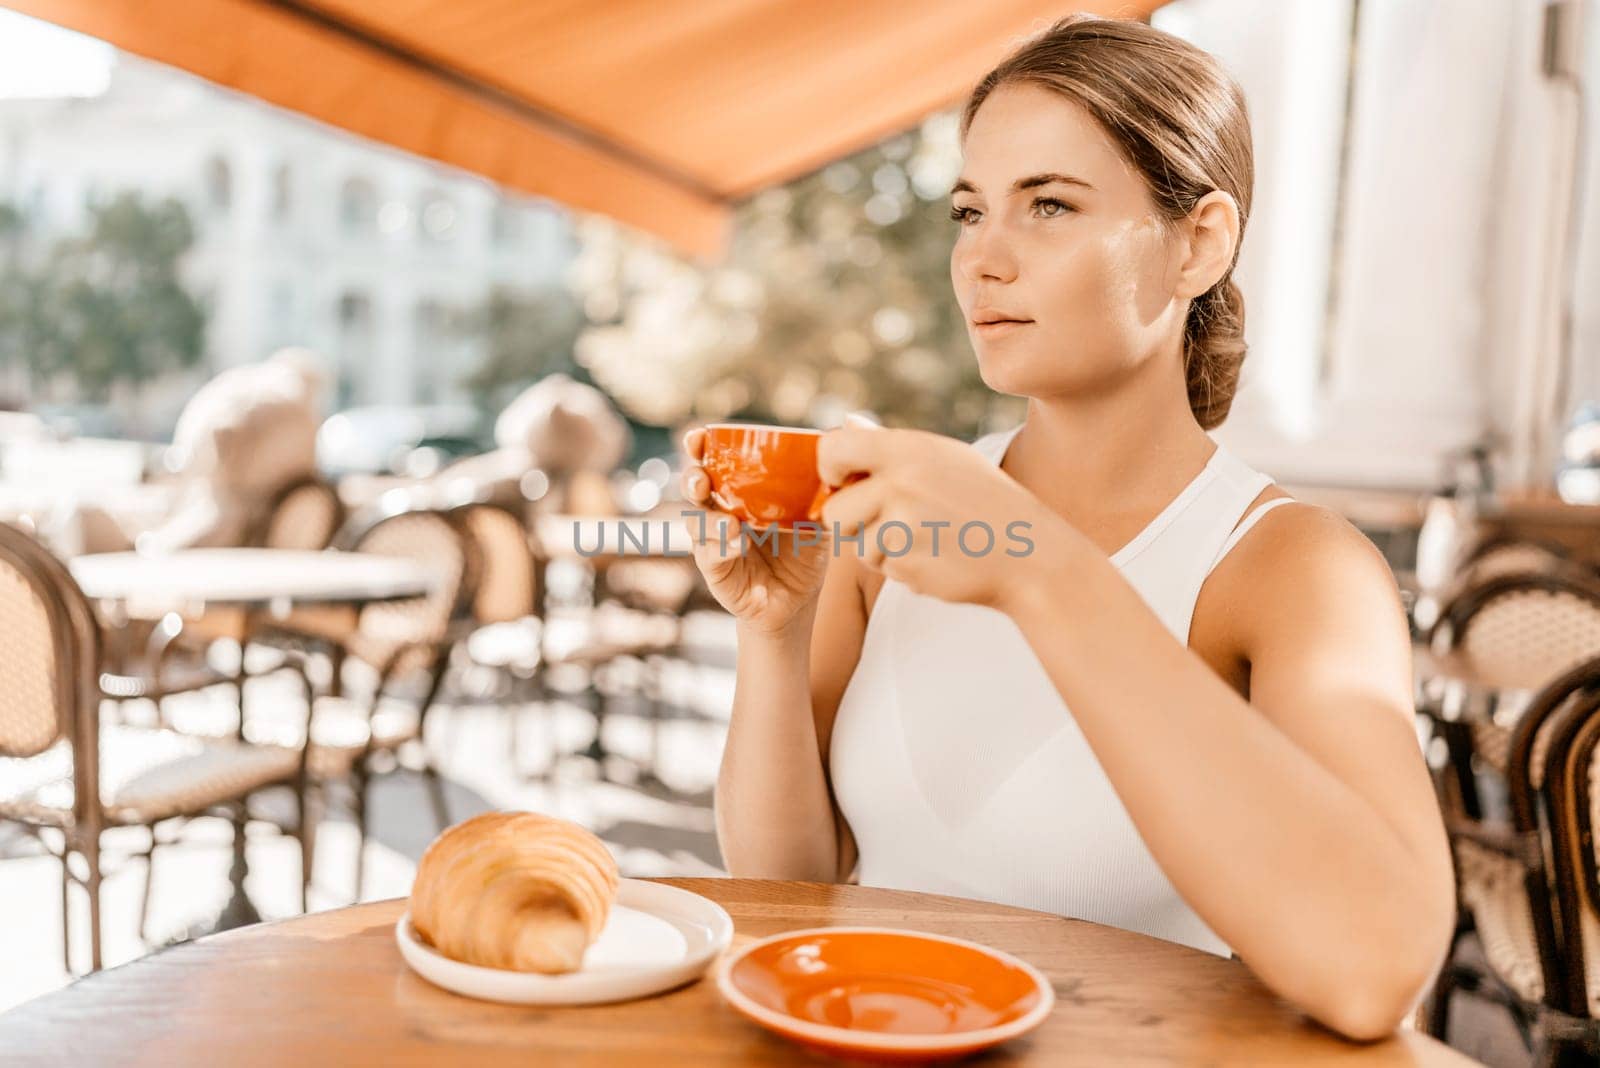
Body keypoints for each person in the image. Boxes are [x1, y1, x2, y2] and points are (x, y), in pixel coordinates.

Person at [679, 14, 1453, 1043]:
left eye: (1048, 204)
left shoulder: (1292, 569)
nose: (981, 260)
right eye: (968, 210)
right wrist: (773, 635)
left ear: (1198, 243)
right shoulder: (900, 517)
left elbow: (1375, 973)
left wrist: (1037, 569)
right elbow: (786, 889)